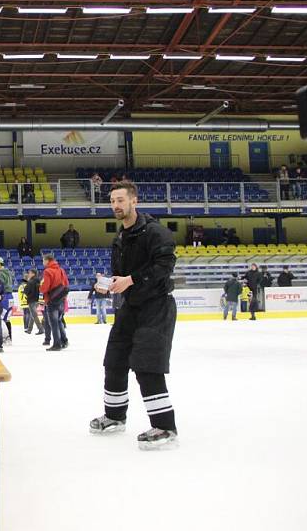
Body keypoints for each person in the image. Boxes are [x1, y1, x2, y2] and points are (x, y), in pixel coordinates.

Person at [89, 181, 179, 450]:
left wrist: (132, 280)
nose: (116, 205)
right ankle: (114, 417)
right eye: (112, 201)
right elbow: (123, 276)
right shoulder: (120, 239)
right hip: (130, 307)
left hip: (156, 306)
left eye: (120, 200)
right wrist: (109, 284)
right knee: (114, 361)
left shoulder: (155, 233)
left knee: (147, 364)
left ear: (134, 201)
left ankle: (165, 427)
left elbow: (165, 265)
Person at [40, 254, 69, 351]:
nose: (43, 262)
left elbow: (45, 287)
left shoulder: (47, 271)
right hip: (61, 298)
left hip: (52, 299)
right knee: (59, 320)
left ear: (47, 260)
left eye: (43, 260)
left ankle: (57, 344)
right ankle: (64, 340)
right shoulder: (61, 270)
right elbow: (66, 283)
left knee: (53, 323)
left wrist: (40, 288)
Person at [0, 256, 15, 346]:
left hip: (5, 296)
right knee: (7, 319)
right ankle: (9, 338)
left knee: (0, 318)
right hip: (11, 296)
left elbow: (0, 286)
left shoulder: (0, 273)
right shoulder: (9, 272)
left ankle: (5, 337)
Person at [23, 269, 44, 334]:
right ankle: (29, 329)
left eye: (29, 273)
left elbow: (26, 291)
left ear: (33, 274)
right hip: (37, 300)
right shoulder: (38, 281)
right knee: (33, 315)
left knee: (34, 315)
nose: (28, 274)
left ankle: (40, 329)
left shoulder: (30, 282)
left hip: (31, 300)